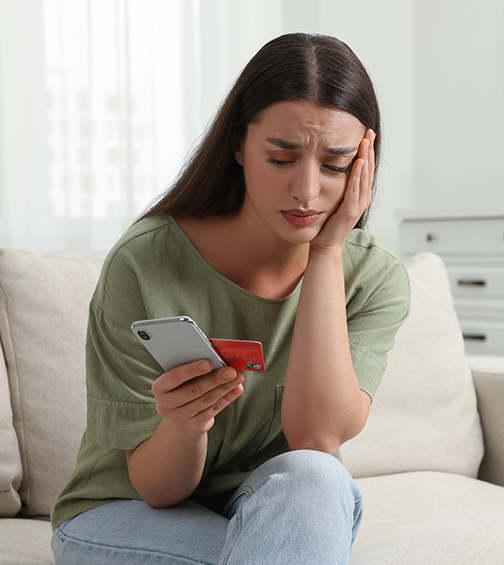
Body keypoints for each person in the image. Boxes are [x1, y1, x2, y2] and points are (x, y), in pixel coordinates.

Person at [49, 32, 411, 565]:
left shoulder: (372, 279)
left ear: (364, 163)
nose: (308, 190)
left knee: (316, 476)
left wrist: (327, 252)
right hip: (123, 508)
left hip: (265, 504)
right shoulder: (144, 264)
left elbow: (314, 440)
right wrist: (184, 424)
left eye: (335, 165)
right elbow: (158, 490)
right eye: (281, 158)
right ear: (239, 144)